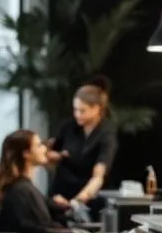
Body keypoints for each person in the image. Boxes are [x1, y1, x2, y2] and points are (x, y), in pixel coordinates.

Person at [47, 76, 118, 214]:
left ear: (97, 109)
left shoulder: (106, 134)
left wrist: (77, 202)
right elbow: (51, 154)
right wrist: (57, 156)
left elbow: (98, 176)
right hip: (59, 192)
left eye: (82, 110)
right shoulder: (68, 127)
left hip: (87, 197)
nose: (77, 114)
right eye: (75, 109)